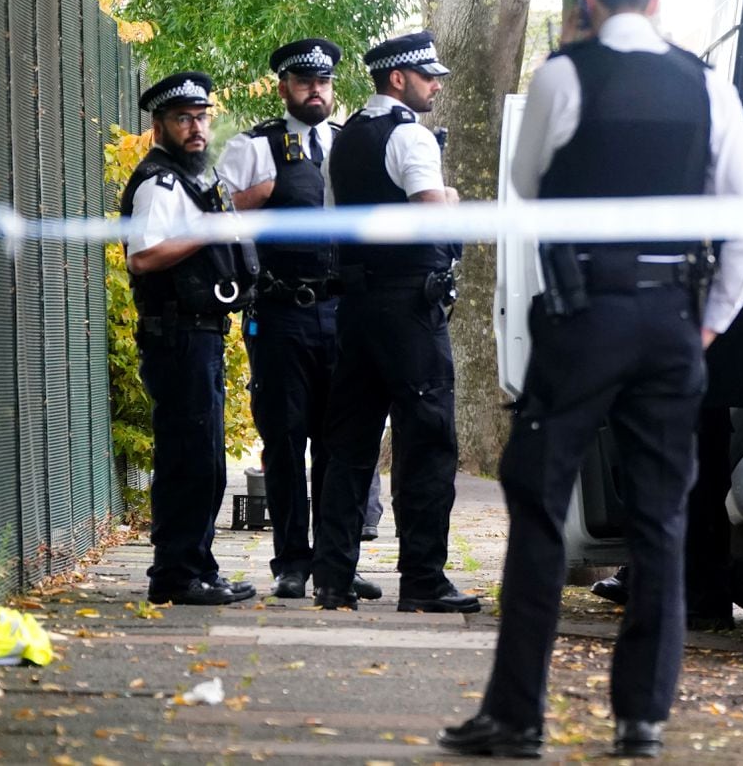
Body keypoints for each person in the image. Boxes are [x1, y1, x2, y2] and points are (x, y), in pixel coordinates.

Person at [438, 0, 743, 759]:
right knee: (661, 520)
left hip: (583, 322)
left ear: (584, 2)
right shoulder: (705, 85)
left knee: (541, 509)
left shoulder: (563, 75)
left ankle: (517, 716)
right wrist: (706, 322)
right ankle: (642, 719)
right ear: (654, 1)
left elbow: (524, 186)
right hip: (670, 324)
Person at [591, 128, 743, 626]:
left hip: (711, 369)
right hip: (718, 371)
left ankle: (686, 593)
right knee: (701, 483)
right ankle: (693, 595)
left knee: (696, 482)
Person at [310, 31, 478, 615]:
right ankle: (423, 580)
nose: (437, 84)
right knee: (427, 442)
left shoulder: (346, 138)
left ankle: (332, 577)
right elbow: (431, 216)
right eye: (428, 75)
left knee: (349, 445)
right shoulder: (410, 136)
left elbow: (335, 224)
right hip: (410, 308)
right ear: (398, 79)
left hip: (356, 310)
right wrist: (452, 199)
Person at [216, 39, 382, 603]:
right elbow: (214, 220)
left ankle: (338, 561)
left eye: (325, 81)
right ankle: (291, 561)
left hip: (343, 312)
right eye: (305, 81)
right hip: (281, 312)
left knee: (341, 442)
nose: (317, 90)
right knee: (284, 439)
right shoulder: (255, 147)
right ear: (284, 87)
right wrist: (252, 202)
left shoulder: (347, 145)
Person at [120, 71, 259, 606]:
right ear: (159, 126)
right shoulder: (160, 183)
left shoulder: (194, 180)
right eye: (184, 119)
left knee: (205, 458)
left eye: (202, 118)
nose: (197, 128)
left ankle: (198, 567)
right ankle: (175, 575)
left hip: (199, 333)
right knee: (188, 459)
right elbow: (143, 256)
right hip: (175, 335)